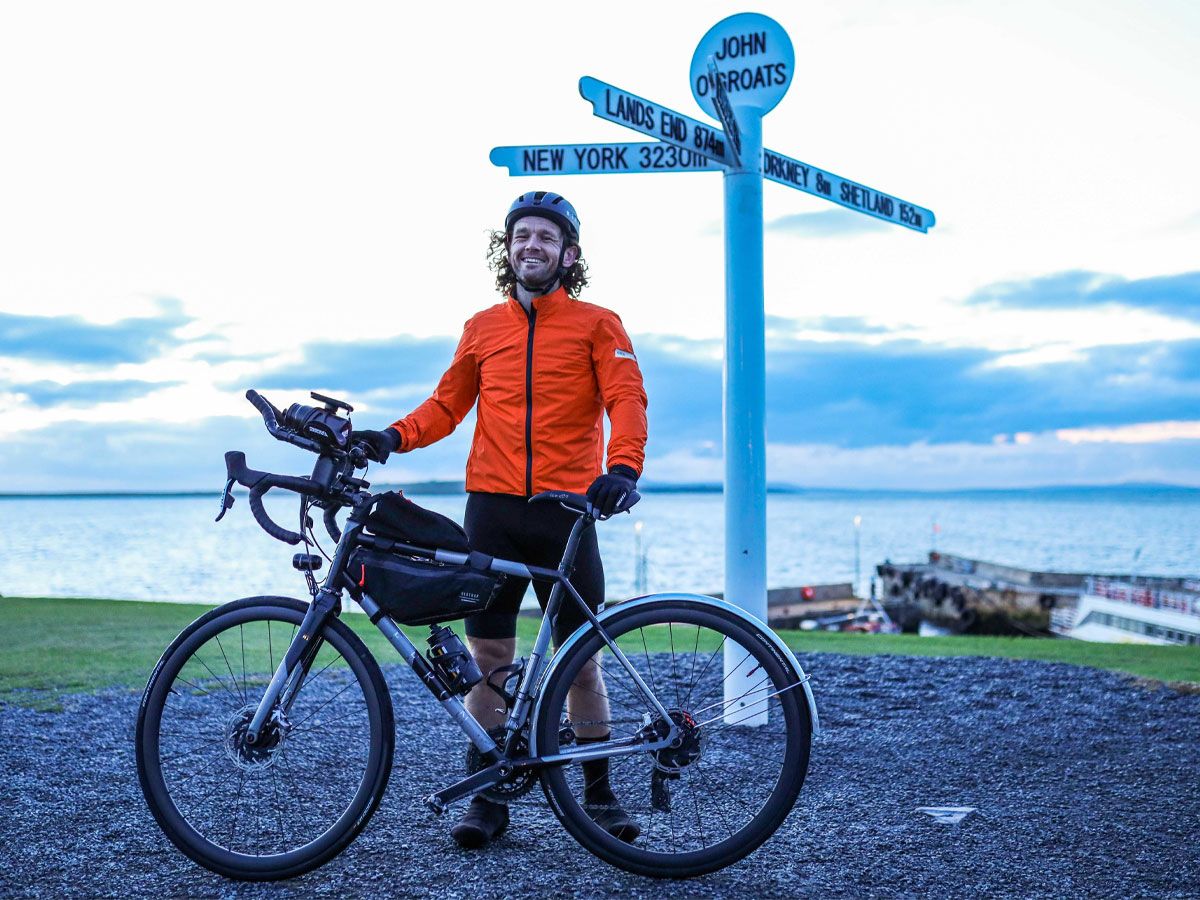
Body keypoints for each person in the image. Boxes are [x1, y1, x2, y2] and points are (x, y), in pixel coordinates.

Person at [353, 191, 648, 849]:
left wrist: (623, 467)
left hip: (566, 512)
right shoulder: (483, 327)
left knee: (580, 660)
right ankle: (488, 796)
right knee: (490, 655)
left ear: (568, 255)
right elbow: (446, 406)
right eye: (522, 236)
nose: (532, 246)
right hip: (491, 509)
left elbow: (626, 397)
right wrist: (391, 438)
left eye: (546, 237)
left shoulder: (599, 323)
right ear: (507, 249)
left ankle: (599, 796)